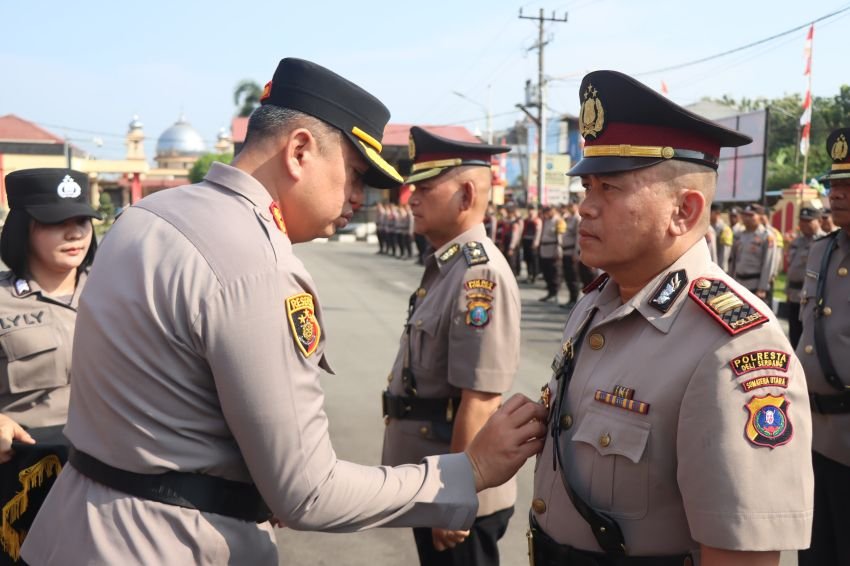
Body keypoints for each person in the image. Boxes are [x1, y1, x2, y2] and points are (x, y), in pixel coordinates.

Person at [21, 58, 546, 565]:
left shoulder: (144, 217)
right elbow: (309, 493)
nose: (357, 198)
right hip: (172, 543)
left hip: (75, 528)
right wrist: (469, 470)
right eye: (357, 175)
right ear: (299, 151)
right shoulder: (258, 263)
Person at [529, 70, 813, 565]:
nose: (585, 209)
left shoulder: (734, 347)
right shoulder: (596, 303)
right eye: (586, 187)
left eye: (609, 190)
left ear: (683, 210)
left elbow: (740, 555)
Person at [382, 126, 519, 566]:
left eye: (424, 188)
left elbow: (479, 399)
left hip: (458, 491)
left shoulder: (479, 275)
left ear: (464, 195)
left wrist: (454, 497)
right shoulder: (449, 266)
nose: (412, 199)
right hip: (437, 479)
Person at [0, 168, 100, 562]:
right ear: (23, 228)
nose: (74, 233)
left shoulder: (123, 291)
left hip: (114, 483)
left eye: (81, 221)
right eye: (56, 222)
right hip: (24, 484)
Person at [797, 127, 850, 566]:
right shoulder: (823, 251)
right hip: (814, 434)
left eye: (848, 186)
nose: (838, 194)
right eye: (835, 184)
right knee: (816, 554)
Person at [785, 207, 824, 349]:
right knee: (794, 335)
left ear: (819, 221)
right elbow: (791, 268)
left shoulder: (825, 242)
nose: (804, 224)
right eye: (801, 221)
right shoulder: (797, 241)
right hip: (794, 294)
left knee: (809, 338)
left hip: (812, 297)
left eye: (808, 221)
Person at [729, 203, 777, 302]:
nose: (747, 218)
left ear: (760, 217)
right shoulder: (739, 235)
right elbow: (732, 260)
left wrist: (762, 288)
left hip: (755, 284)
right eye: (745, 215)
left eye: (751, 215)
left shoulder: (766, 236)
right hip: (738, 283)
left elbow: (768, 264)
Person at [537, 205, 565, 302]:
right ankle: (550, 292)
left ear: (552, 211)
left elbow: (560, 238)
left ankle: (555, 293)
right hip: (545, 249)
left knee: (554, 272)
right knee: (547, 272)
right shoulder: (546, 220)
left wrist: (558, 251)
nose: (546, 214)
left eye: (547, 212)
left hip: (553, 249)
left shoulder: (558, 221)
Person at [560, 202, 580, 308]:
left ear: (577, 206)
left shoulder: (577, 219)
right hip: (565, 251)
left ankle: (575, 299)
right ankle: (571, 298)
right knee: (568, 276)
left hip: (572, 250)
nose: (570, 208)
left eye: (572, 206)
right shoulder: (569, 218)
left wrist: (576, 252)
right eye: (569, 206)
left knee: (573, 277)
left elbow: (578, 236)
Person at [521, 206, 542, 283]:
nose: (531, 212)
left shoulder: (537, 220)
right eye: (529, 210)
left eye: (532, 210)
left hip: (533, 241)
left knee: (534, 259)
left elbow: (538, 232)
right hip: (526, 240)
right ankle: (529, 275)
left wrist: (535, 242)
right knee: (527, 259)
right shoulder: (526, 220)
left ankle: (535, 275)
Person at [710, 203, 733, 272]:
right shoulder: (710, 226)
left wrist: (719, 271)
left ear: (717, 213)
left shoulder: (725, 229)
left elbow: (724, 254)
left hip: (719, 269)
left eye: (710, 212)